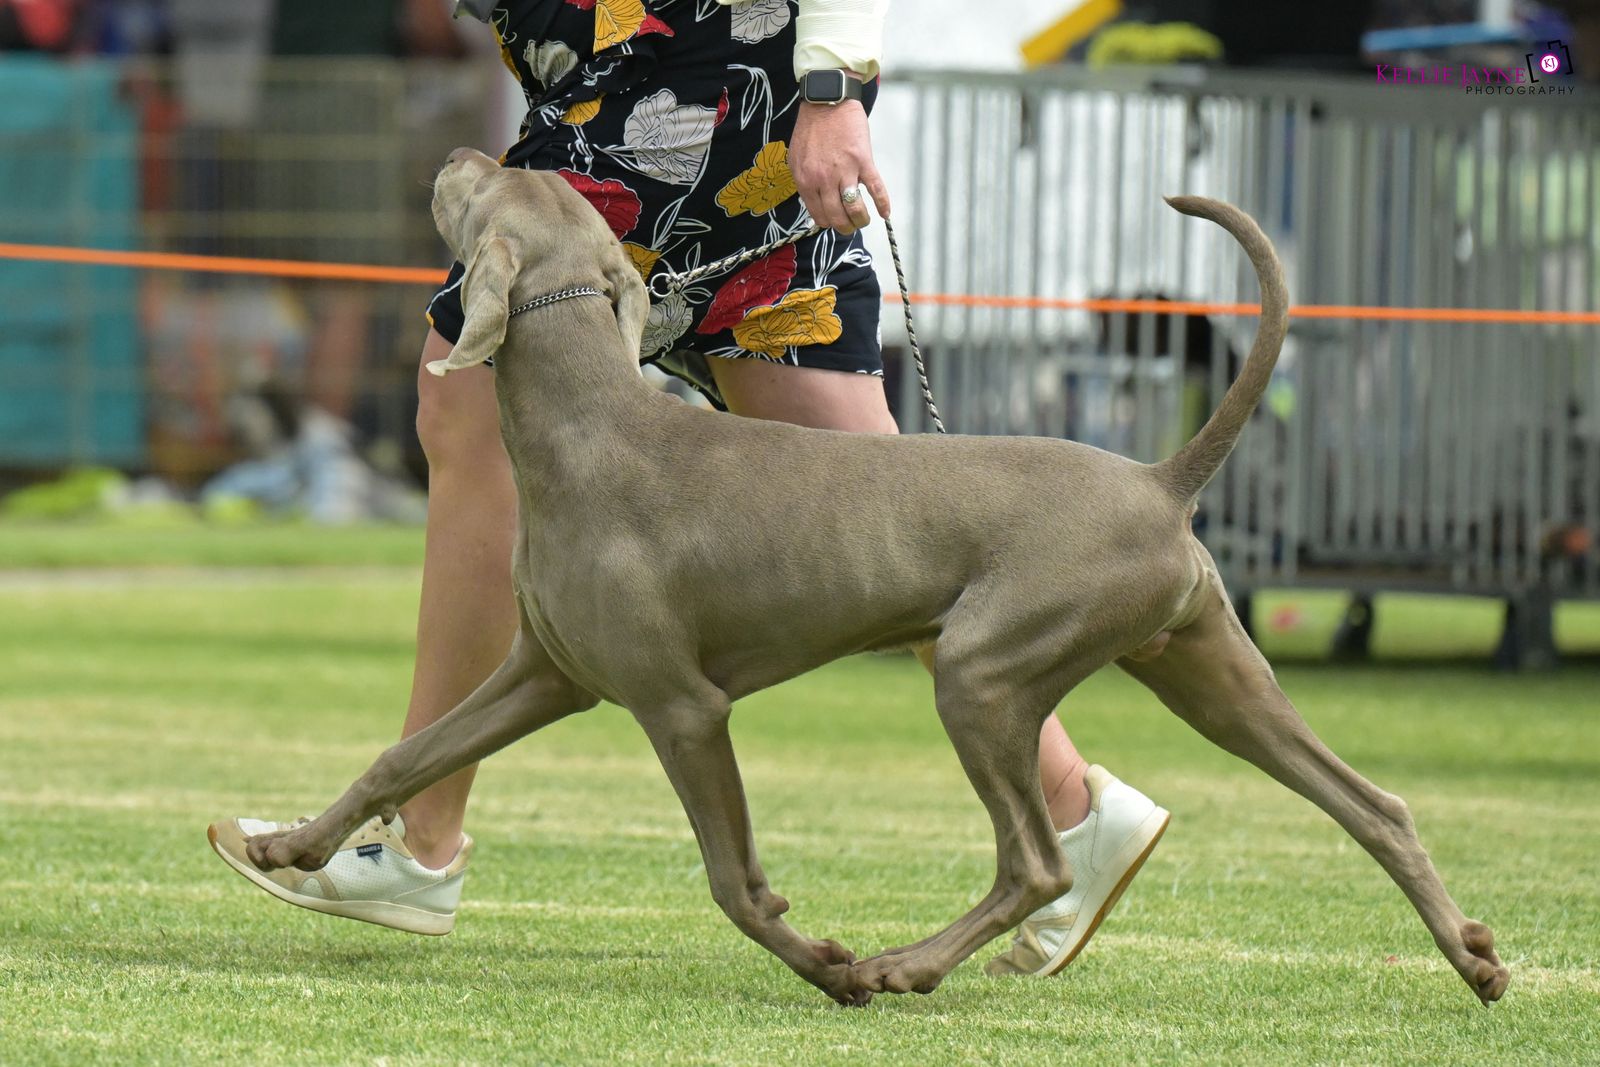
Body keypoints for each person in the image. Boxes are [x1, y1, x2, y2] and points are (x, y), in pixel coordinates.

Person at [211, 0, 1169, 978]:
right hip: (683, 94)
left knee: (473, 392)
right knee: (858, 478)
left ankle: (420, 838)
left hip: (682, 88)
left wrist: (833, 86)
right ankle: (1072, 809)